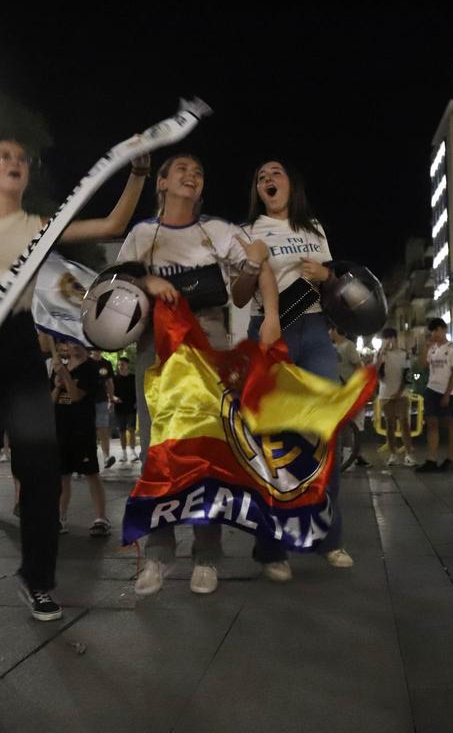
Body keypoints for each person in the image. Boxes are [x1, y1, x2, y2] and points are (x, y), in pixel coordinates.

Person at [0, 138, 151, 635]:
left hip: (18, 340)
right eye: (3, 157)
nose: (15, 163)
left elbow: (111, 226)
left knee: (41, 465)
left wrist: (138, 175)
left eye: (22, 159)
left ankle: (38, 579)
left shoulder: (40, 225)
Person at [120, 153, 280, 597]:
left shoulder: (219, 231)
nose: (191, 175)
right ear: (163, 183)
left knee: (207, 450)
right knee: (159, 447)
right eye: (182, 170)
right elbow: (116, 284)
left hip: (210, 344)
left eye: (199, 171)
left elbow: (242, 290)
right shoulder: (141, 235)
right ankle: (158, 552)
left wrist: (251, 269)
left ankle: (206, 555)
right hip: (155, 350)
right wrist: (147, 282)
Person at [233, 158, 354, 580]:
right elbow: (239, 294)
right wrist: (250, 265)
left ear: (291, 184)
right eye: (260, 176)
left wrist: (325, 272)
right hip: (268, 330)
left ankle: (328, 537)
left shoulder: (313, 228)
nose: (268, 179)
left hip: (314, 327)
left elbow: (331, 284)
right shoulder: (247, 232)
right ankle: (271, 548)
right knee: (273, 440)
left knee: (326, 430)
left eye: (275, 174)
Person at [51, 342, 110, 536]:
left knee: (91, 473)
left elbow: (76, 396)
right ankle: (59, 518)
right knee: (62, 475)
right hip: (60, 428)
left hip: (81, 429)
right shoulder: (60, 368)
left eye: (77, 342)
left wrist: (65, 377)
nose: (73, 347)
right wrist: (58, 385)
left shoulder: (91, 369)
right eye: (70, 342)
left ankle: (101, 518)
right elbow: (51, 400)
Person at [415, 317, 453, 473]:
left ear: (443, 330)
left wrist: (448, 394)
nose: (434, 333)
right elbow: (422, 365)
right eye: (432, 331)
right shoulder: (433, 348)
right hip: (432, 389)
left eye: (437, 330)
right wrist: (425, 346)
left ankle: (450, 459)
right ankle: (431, 459)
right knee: (432, 423)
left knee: (449, 423)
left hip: (447, 391)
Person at [329, 325, 370, 469]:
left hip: (350, 391)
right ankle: (349, 456)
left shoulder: (348, 346)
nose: (329, 332)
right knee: (344, 425)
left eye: (330, 329)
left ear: (335, 330)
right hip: (338, 390)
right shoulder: (332, 347)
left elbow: (359, 367)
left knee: (351, 424)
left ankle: (350, 457)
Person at [375, 329, 414, 466]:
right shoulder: (380, 354)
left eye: (391, 338)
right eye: (386, 339)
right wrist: (382, 352)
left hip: (401, 394)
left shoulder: (404, 354)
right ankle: (393, 454)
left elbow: (407, 376)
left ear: (396, 339)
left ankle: (408, 454)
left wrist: (399, 392)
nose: (389, 341)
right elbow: (375, 371)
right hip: (385, 394)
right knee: (389, 424)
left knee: (404, 423)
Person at [109, 357, 138, 467]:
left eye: (122, 364)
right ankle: (124, 452)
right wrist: (113, 399)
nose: (120, 366)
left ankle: (132, 451)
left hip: (131, 407)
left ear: (127, 365)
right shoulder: (114, 379)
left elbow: (137, 391)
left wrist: (137, 402)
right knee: (121, 431)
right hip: (119, 408)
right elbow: (110, 392)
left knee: (131, 429)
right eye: (119, 364)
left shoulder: (133, 377)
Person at [92, 351, 113, 468]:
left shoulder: (106, 363)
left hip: (102, 400)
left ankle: (106, 457)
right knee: (88, 430)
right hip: (86, 401)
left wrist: (111, 399)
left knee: (103, 429)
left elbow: (110, 383)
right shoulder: (86, 361)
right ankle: (87, 458)